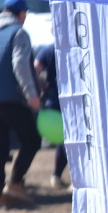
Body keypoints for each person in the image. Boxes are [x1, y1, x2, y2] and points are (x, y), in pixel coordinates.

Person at [0, 0, 40, 206]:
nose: (26, 18)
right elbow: (20, 64)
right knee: (32, 140)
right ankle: (15, 184)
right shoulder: (19, 33)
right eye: (25, 14)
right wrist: (31, 94)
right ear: (19, 13)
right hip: (10, 97)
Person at [33, 41, 70, 191]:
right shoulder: (76, 47)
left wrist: (39, 88)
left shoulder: (49, 49)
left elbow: (35, 69)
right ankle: (61, 176)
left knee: (64, 139)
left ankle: (56, 175)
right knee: (69, 139)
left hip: (52, 99)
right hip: (71, 101)